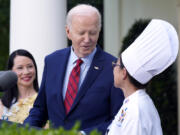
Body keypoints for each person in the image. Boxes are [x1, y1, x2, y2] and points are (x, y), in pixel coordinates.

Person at [24, 4, 124, 134]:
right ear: (68, 32)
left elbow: (118, 120)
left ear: (99, 32)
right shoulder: (52, 61)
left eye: (93, 33)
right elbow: (40, 109)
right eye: (81, 33)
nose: (87, 39)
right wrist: (22, 130)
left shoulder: (113, 67)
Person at [107, 19, 179, 135]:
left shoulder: (136, 109)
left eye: (116, 64)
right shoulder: (134, 103)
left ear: (124, 73)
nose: (113, 68)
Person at [0, 49, 39, 124]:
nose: (26, 72)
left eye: (30, 66)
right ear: (10, 71)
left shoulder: (43, 100)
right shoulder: (2, 104)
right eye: (20, 68)